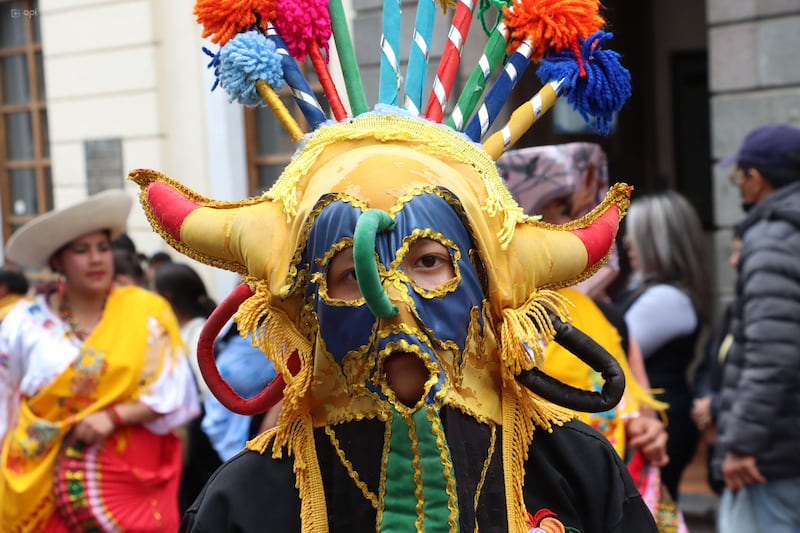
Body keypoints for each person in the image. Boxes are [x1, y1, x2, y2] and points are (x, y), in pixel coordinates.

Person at [0, 189, 200, 532]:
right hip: (39, 479)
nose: (96, 259)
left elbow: (174, 390)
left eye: (102, 248)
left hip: (127, 482)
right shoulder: (24, 322)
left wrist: (114, 416)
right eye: (81, 251)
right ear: (57, 262)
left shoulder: (146, 311)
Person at [713, 123, 800, 531]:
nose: (740, 187)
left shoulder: (772, 240)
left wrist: (743, 444)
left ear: (757, 179)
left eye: (739, 177)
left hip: (775, 453)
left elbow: (771, 354)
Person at [613, 190, 712, 503]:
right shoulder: (651, 292)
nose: (627, 242)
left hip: (660, 426)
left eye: (637, 234)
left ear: (659, 241)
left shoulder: (666, 299)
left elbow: (609, 350)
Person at [152, 261, 222, 512]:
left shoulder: (198, 334)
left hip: (199, 435)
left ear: (168, 298)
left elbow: (206, 388)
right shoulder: (179, 332)